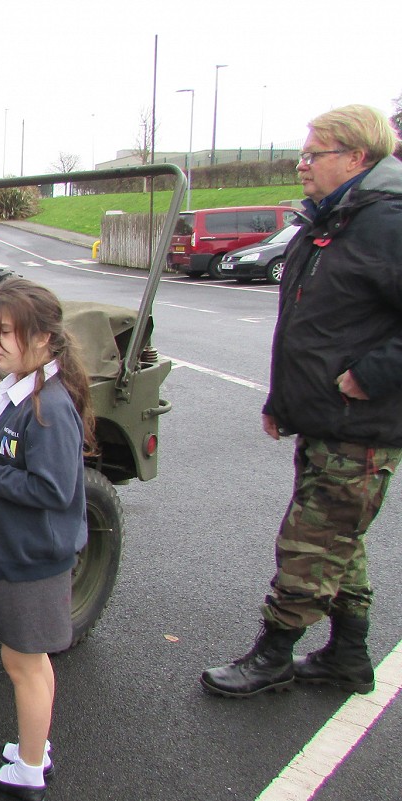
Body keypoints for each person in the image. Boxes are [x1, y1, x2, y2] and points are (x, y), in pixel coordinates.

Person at [201, 105, 402, 699]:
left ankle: (274, 655)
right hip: (324, 419)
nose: (302, 163)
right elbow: (309, 325)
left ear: (356, 159)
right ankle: (347, 655)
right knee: (339, 541)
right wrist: (283, 401)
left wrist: (371, 375)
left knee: (309, 544)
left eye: (315, 153)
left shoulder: (387, 223)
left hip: (359, 425)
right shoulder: (336, 221)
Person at [0, 278, 96, 800]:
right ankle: (31, 748)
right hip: (15, 552)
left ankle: (30, 770)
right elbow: (15, 457)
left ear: (43, 339)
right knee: (23, 661)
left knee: (25, 664)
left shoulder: (49, 406)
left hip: (32, 559)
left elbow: (54, 489)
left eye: (6, 332)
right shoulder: (21, 392)